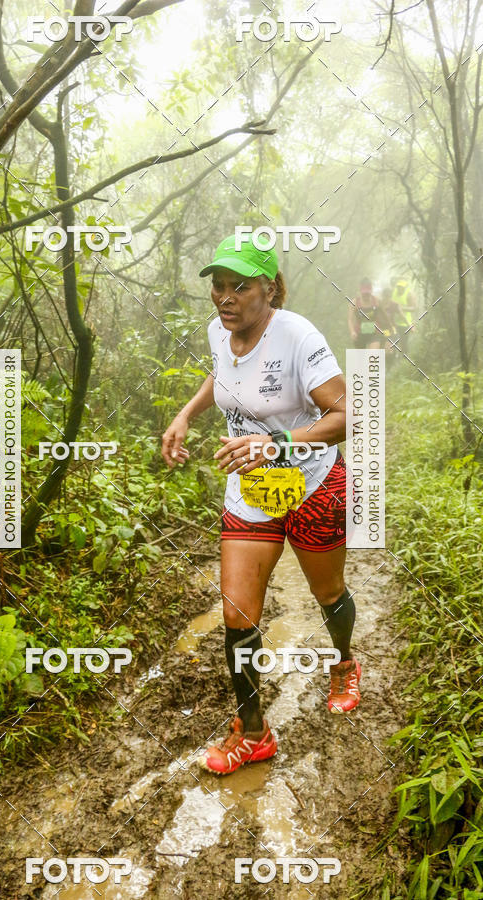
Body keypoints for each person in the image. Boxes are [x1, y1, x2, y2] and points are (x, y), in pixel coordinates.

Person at [161, 234, 361, 776]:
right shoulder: (217, 332)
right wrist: (186, 413)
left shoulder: (297, 335)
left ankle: (343, 661)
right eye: (218, 286)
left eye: (239, 286)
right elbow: (223, 375)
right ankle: (254, 732)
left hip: (313, 484)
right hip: (250, 494)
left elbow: (347, 416)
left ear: (268, 289)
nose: (224, 297)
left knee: (328, 591)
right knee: (236, 611)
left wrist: (278, 442)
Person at [348, 278, 393, 349]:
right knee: (361, 359)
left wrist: (389, 333)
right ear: (360, 292)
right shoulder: (354, 302)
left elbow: (385, 318)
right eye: (364, 294)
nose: (366, 296)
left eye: (368, 293)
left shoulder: (377, 301)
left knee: (373, 356)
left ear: (371, 291)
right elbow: (350, 320)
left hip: (374, 333)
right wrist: (352, 332)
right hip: (359, 333)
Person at [389, 277, 417, 353]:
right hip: (393, 321)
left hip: (405, 323)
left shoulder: (409, 294)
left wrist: (401, 308)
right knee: (392, 340)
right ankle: (393, 358)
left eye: (402, 287)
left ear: (405, 287)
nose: (400, 288)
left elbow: (413, 308)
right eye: (398, 287)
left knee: (404, 342)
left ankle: (404, 360)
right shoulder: (393, 292)